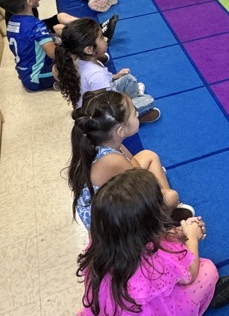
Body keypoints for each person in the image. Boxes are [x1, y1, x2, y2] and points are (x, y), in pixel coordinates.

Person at [61, 169, 229, 316]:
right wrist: (192, 237)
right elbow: (188, 274)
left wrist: (174, 234)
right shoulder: (153, 256)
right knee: (208, 271)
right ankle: (200, 304)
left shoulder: (101, 242)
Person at [68, 90, 192, 232]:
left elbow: (134, 163)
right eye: (134, 113)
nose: (138, 114)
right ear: (120, 130)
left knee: (149, 156)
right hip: (112, 223)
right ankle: (163, 217)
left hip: (114, 199)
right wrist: (163, 198)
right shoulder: (113, 160)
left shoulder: (107, 140)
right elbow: (143, 182)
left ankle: (165, 209)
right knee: (172, 196)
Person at [54, 17, 160, 122]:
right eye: (101, 37)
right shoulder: (96, 75)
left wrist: (116, 76)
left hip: (101, 97)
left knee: (128, 79)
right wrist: (125, 102)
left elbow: (104, 81)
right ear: (89, 50)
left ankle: (134, 103)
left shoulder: (83, 61)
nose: (105, 38)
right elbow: (101, 107)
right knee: (148, 100)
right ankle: (129, 119)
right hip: (101, 112)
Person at [0, 0, 57, 91]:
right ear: (29, 1)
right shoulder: (36, 26)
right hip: (38, 76)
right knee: (77, 63)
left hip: (26, 74)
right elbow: (54, 53)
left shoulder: (11, 22)